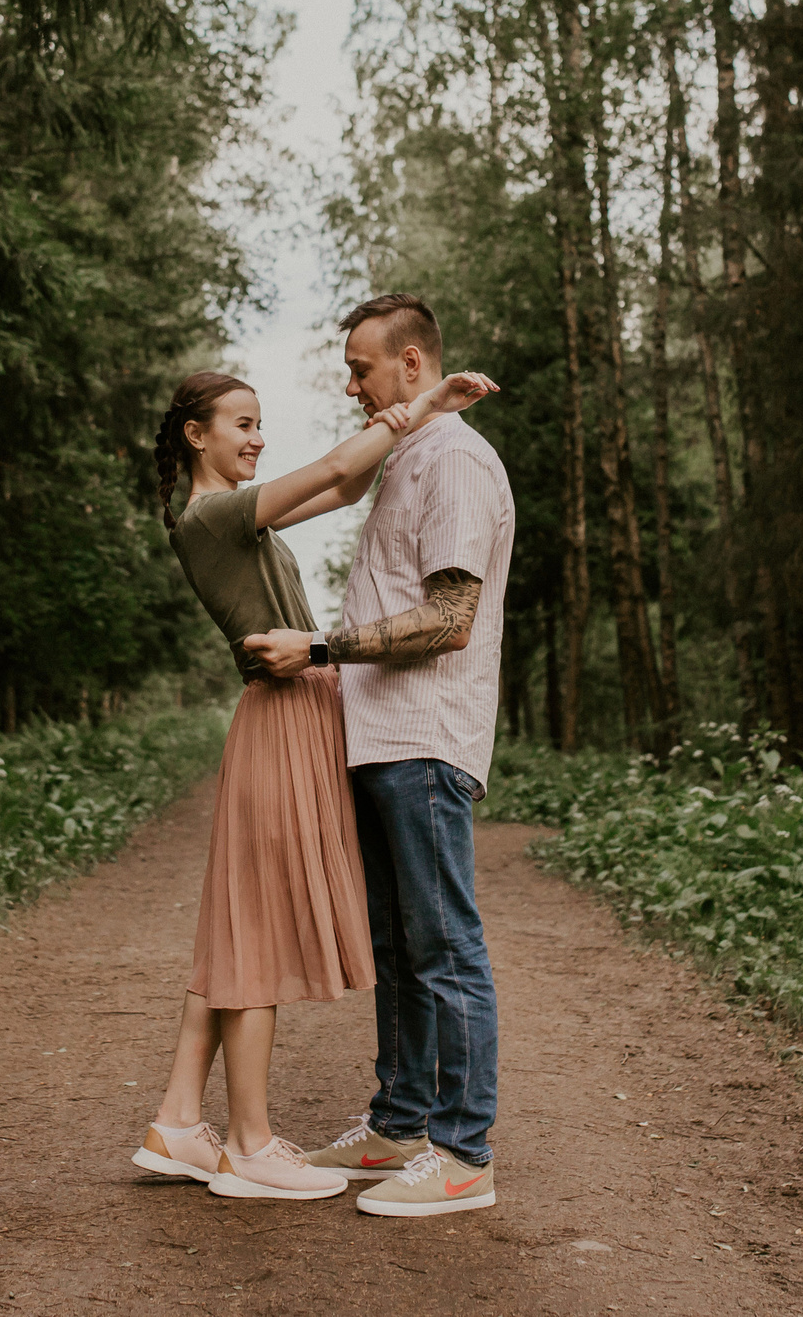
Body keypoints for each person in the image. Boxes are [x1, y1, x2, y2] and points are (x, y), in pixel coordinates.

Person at [133, 362, 499, 1202]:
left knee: (236, 925)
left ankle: (180, 1120)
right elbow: (338, 470)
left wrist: (398, 434)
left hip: (290, 713)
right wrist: (422, 406)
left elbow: (339, 491)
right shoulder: (215, 513)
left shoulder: (230, 516)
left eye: (261, 422)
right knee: (253, 933)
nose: (259, 436)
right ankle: (251, 1143)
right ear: (197, 436)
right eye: (242, 423)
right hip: (284, 712)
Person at [241, 293, 516, 1219]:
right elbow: (328, 489)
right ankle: (401, 1122)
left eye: (360, 368)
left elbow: (449, 620)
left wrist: (317, 647)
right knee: (398, 943)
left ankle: (464, 1152)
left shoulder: (460, 465)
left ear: (410, 362)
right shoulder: (414, 449)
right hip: (381, 738)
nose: (350, 384)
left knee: (444, 942)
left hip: (427, 739)